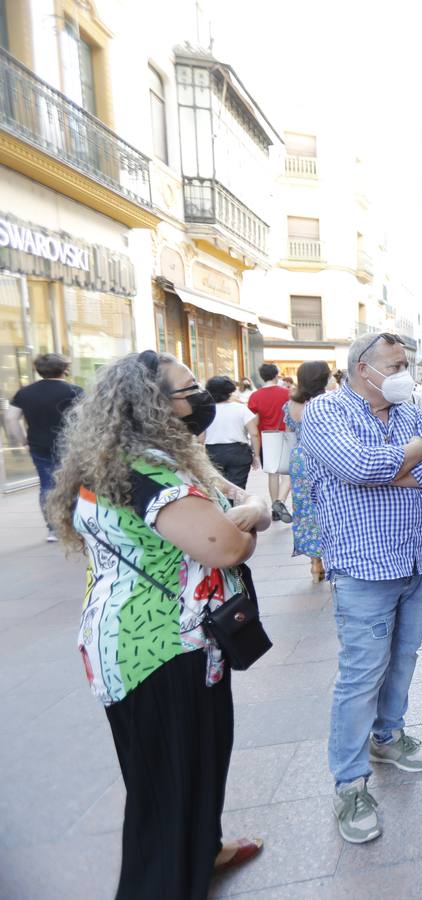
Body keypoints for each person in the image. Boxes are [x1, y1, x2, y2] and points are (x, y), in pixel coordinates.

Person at [47, 350, 273, 898]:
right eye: (188, 389)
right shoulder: (144, 469)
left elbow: (223, 501)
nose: (200, 399)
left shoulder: (133, 458)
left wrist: (242, 505)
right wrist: (253, 516)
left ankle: (203, 849)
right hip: (159, 650)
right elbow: (224, 545)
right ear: (151, 404)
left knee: (193, 762)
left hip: (156, 642)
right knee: (169, 783)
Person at [300, 332, 422, 844]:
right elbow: (360, 466)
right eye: (395, 363)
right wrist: (407, 457)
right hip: (364, 567)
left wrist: (398, 465)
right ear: (363, 368)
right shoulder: (327, 413)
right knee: (361, 674)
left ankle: (387, 736)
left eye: (406, 362)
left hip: (415, 556)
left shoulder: (408, 410)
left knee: (405, 657)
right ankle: (349, 783)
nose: (403, 371)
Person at [5, 353, 81, 541]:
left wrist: (21, 439)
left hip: (39, 446)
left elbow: (10, 418)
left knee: (47, 485)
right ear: (65, 369)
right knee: (73, 484)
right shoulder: (74, 391)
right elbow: (85, 417)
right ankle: (75, 524)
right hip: (69, 445)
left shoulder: (25, 392)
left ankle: (53, 529)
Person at [286, 361, 330, 583]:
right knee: (327, 504)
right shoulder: (327, 401)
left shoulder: (291, 405)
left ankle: (315, 564)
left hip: (298, 459)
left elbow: (289, 432)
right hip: (322, 456)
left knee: (304, 510)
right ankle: (331, 556)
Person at [248, 363, 292, 522]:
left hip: (266, 438)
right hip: (286, 437)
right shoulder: (287, 393)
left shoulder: (255, 396)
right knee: (287, 475)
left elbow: (254, 421)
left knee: (272, 475)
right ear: (276, 375)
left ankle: (275, 507)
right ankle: (280, 503)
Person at [202, 376, 260, 490]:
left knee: (216, 488)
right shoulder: (240, 408)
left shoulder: (206, 410)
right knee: (237, 489)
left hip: (213, 452)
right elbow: (254, 433)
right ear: (229, 391)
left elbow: (200, 438)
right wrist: (256, 455)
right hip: (238, 451)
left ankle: (222, 507)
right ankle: (235, 507)